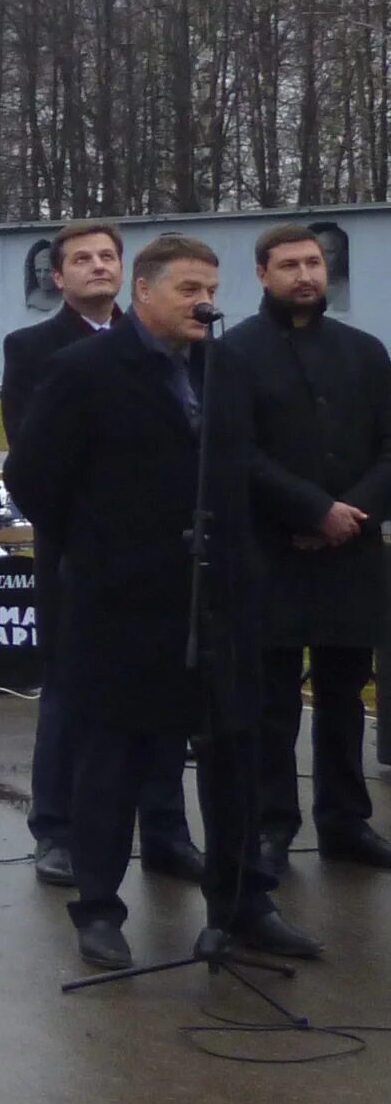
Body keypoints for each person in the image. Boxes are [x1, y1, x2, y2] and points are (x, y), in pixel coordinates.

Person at [6, 233, 316, 970]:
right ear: (143, 292)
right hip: (123, 603)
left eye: (210, 288)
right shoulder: (85, 370)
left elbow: (245, 468)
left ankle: (241, 903)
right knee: (114, 760)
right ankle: (100, 910)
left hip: (222, 598)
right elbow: (34, 478)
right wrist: (101, 545)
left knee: (235, 751)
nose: (204, 302)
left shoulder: (226, 368)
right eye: (187, 289)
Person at [0, 221, 197, 892]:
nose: (96, 267)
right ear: (58, 278)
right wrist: (86, 530)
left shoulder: (173, 342)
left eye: (107, 256)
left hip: (166, 559)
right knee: (70, 694)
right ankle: (56, 831)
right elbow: (33, 458)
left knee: (169, 691)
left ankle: (166, 830)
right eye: (81, 259)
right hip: (79, 556)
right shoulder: (33, 349)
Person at [222, 221, 391, 875]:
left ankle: (346, 821)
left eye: (314, 263)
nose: (305, 275)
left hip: (352, 553)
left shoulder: (366, 351)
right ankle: (271, 827)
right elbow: (238, 453)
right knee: (272, 700)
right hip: (271, 551)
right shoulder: (235, 354)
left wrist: (351, 513)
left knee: (346, 695)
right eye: (289, 264)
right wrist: (312, 508)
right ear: (263, 275)